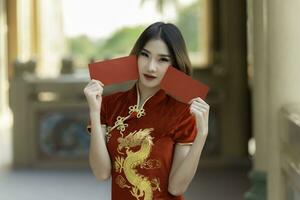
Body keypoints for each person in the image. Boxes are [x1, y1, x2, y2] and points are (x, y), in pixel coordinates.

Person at [84, 22, 209, 200]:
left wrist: (202, 134)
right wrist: (94, 113)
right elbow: (101, 173)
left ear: (174, 65)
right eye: (145, 55)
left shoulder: (182, 112)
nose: (151, 67)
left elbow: (176, 187)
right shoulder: (108, 105)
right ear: (135, 57)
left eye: (163, 59)